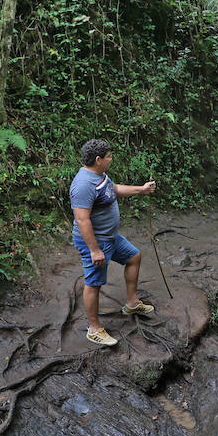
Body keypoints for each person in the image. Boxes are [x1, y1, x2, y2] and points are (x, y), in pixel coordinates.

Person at [70, 138, 157, 347]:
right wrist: (94, 250)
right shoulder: (83, 185)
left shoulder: (99, 175)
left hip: (110, 237)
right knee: (94, 283)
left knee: (134, 256)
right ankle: (94, 329)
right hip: (96, 241)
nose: (111, 159)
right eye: (109, 156)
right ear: (98, 159)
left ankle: (132, 303)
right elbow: (82, 219)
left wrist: (141, 190)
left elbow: (114, 189)